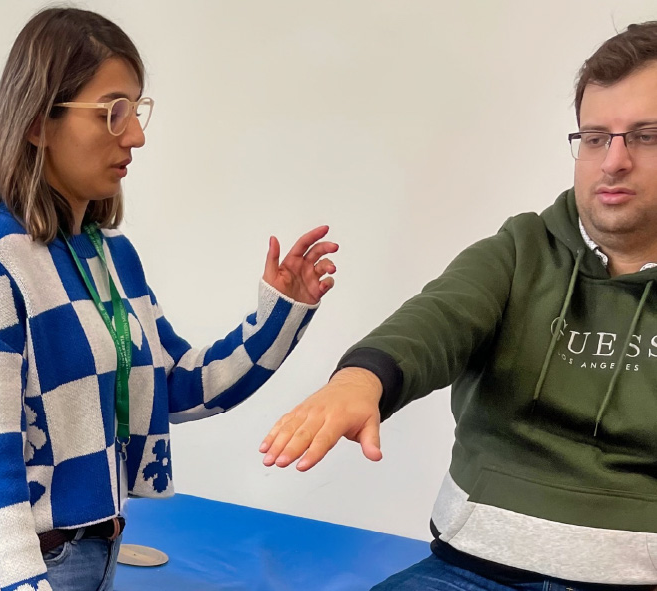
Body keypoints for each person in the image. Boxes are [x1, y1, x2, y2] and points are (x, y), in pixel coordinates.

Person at [0, 7, 338, 591]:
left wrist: (281, 312)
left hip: (96, 557)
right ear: (36, 122)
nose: (136, 134)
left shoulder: (111, 258)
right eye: (113, 112)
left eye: (136, 109)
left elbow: (177, 384)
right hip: (26, 568)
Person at [261, 21, 657, 590]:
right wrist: (359, 379)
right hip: (466, 570)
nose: (613, 161)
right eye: (596, 138)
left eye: (644, 136)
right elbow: (440, 316)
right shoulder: (521, 249)